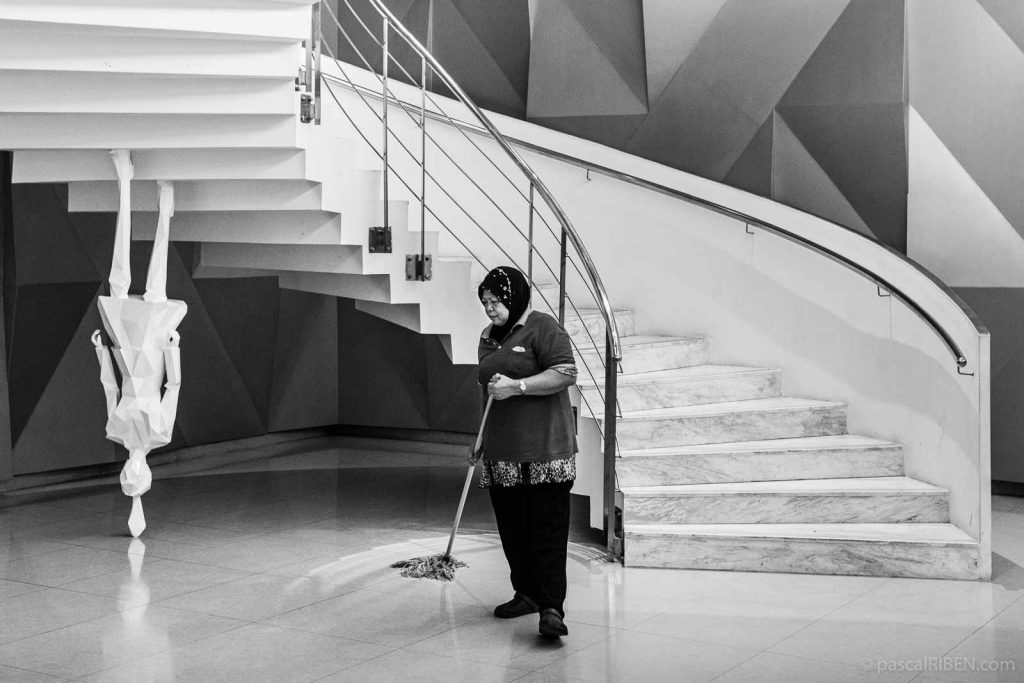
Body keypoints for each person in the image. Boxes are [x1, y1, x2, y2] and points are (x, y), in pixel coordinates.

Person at [476, 265, 578, 639]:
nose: (490, 308)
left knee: (547, 532)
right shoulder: (488, 337)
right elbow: (486, 391)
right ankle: (527, 593)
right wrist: (480, 439)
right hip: (503, 454)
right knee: (513, 532)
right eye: (485, 301)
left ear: (515, 297)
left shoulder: (542, 327)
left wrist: (518, 386)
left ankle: (552, 608)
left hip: (546, 452)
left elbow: (566, 372)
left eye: (497, 300)